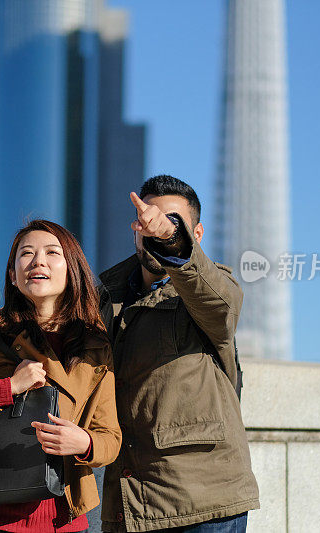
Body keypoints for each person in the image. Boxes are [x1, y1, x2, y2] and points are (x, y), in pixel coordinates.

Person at [98, 175, 259, 532]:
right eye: (147, 222)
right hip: (128, 504)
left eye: (172, 222)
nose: (154, 230)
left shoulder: (212, 288)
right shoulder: (102, 298)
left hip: (203, 502)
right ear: (134, 228)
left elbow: (220, 307)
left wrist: (171, 241)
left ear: (196, 235)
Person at [0, 219, 122, 533]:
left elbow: (111, 437)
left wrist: (85, 442)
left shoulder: (95, 347)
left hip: (65, 517)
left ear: (72, 269)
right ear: (12, 275)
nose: (38, 261)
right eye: (26, 254)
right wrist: (10, 387)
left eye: (52, 252)